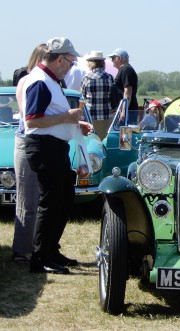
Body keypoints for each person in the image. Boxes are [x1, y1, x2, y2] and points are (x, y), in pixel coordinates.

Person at [23, 37, 92, 274]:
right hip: (44, 147)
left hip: (54, 146)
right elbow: (33, 120)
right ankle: (40, 257)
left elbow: (52, 116)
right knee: (50, 202)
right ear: (60, 59)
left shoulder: (50, 81)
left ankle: (51, 250)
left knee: (63, 199)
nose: (72, 67)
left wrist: (75, 122)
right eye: (71, 62)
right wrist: (67, 118)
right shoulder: (40, 81)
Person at [11, 43, 46, 263]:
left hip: (41, 143)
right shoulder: (27, 81)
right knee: (27, 200)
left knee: (40, 198)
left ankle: (37, 245)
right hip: (27, 141)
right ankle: (21, 250)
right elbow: (28, 115)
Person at [80, 51, 114, 139]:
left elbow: (82, 97)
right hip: (107, 115)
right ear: (102, 63)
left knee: (92, 140)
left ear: (92, 63)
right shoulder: (109, 77)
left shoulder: (86, 78)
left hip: (91, 115)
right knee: (104, 140)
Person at [107, 48, 139, 121]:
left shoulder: (126, 70)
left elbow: (128, 90)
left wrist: (124, 111)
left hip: (128, 110)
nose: (112, 60)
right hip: (125, 109)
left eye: (113, 58)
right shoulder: (124, 69)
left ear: (119, 58)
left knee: (125, 131)